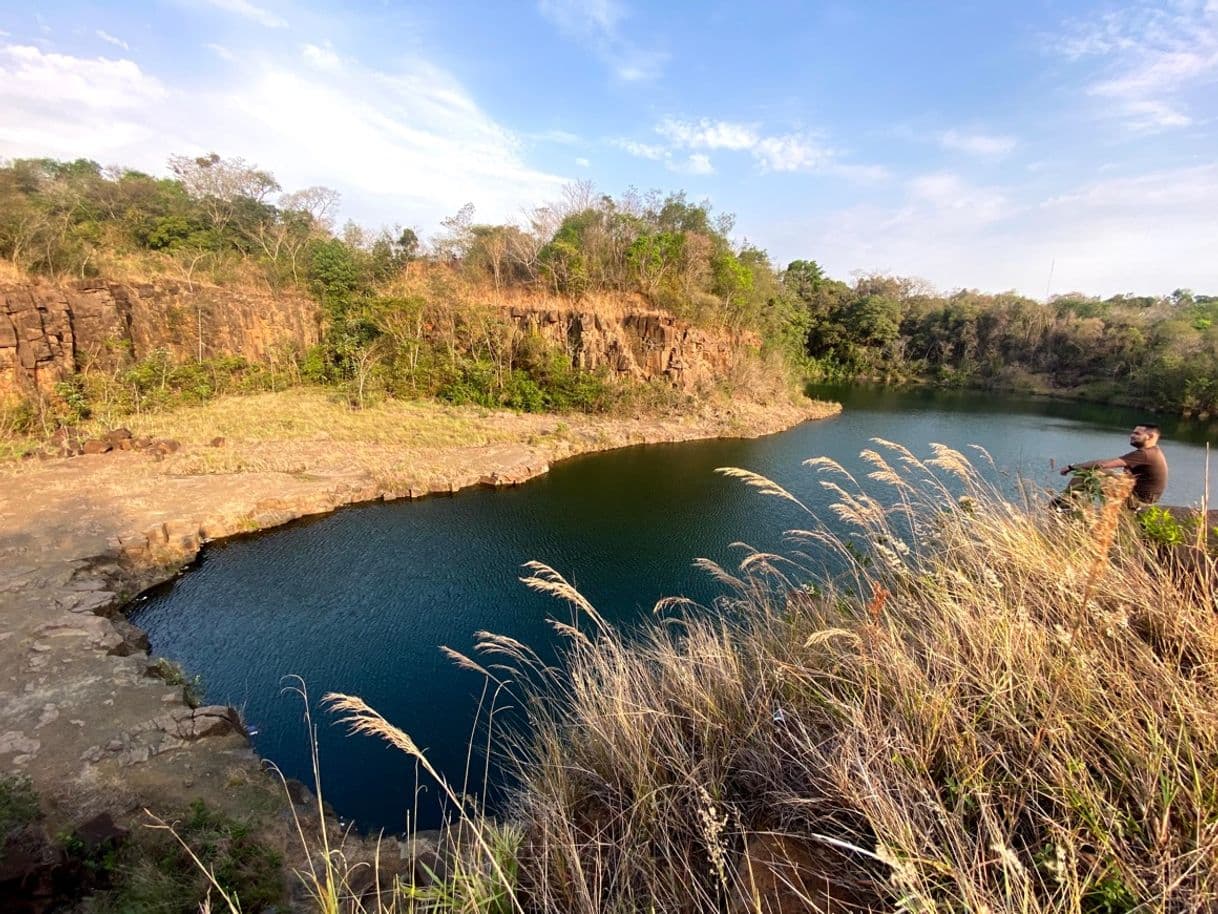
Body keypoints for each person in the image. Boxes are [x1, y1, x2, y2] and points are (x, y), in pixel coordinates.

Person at [1055, 424, 1168, 509]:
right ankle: (1068, 502)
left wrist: (1072, 467)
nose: (1132, 435)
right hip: (1137, 494)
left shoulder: (1146, 454)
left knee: (1085, 475)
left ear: (1150, 436)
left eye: (1137, 434)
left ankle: (1062, 505)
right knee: (1103, 472)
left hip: (1138, 501)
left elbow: (1102, 464)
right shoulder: (1154, 451)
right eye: (1133, 432)